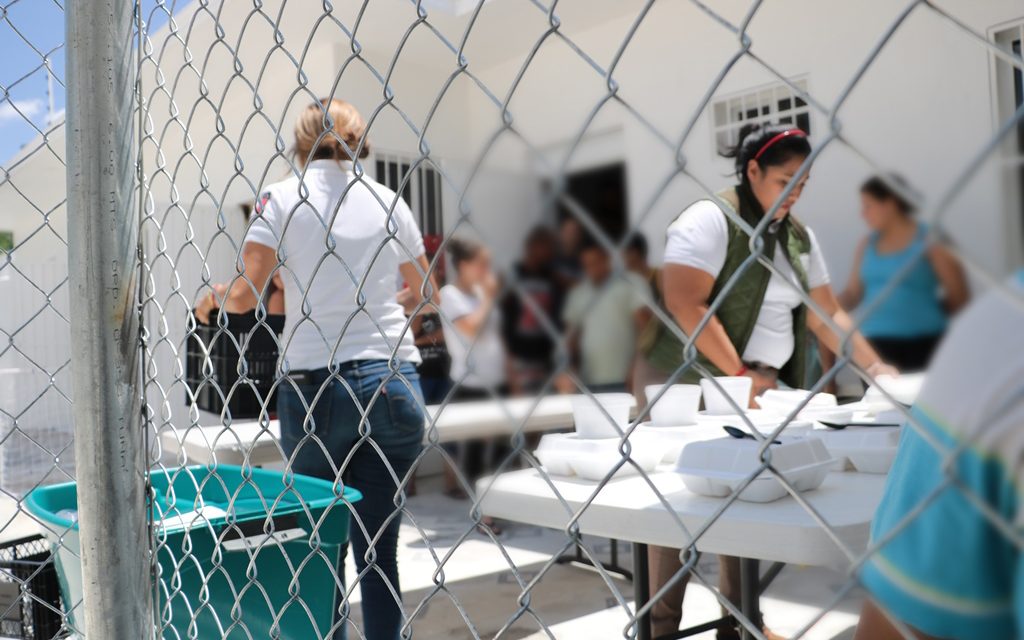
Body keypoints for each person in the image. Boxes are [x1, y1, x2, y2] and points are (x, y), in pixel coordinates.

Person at [638, 123, 897, 640]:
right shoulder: (711, 219)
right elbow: (685, 303)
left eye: (802, 185)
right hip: (692, 388)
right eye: (784, 182)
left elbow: (826, 312)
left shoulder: (798, 238)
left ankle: (740, 622)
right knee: (676, 508)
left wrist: (877, 369)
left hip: (760, 394)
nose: (793, 195)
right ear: (751, 170)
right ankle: (661, 627)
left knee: (747, 494)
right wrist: (738, 375)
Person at [200, 98, 436, 640]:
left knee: (318, 550)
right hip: (392, 378)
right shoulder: (388, 199)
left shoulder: (280, 197)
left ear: (300, 143)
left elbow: (247, 294)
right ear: (360, 141)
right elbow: (426, 295)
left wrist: (212, 302)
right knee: (379, 554)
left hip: (315, 388)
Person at [853, 271, 1024, 640]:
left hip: (921, 354)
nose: (865, 210)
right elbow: (850, 294)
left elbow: (956, 297)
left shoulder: (994, 343)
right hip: (901, 357)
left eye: (869, 205)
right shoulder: (996, 345)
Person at [836, 174, 969, 371]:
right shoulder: (867, 244)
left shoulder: (930, 239)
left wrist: (923, 314)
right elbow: (853, 293)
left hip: (924, 344)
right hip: (875, 346)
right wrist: (824, 309)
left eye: (868, 206)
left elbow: (959, 294)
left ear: (890, 203)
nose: (863, 214)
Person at [439, 236, 509, 531]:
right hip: (470, 384)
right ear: (464, 266)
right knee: (480, 455)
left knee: (502, 450)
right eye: (482, 263)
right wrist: (491, 298)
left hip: (498, 381)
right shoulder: (450, 294)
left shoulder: (482, 292)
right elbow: (470, 330)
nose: (487, 269)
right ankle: (484, 513)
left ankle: (497, 504)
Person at [560, 234, 650, 393]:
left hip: (627, 380)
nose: (592, 269)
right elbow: (571, 337)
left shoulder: (632, 284)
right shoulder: (579, 294)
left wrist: (637, 368)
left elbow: (647, 329)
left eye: (596, 262)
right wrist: (567, 370)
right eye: (587, 265)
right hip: (589, 382)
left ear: (607, 258)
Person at [501, 226, 562, 394]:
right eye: (547, 247)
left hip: (545, 356)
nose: (550, 252)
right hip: (519, 355)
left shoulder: (551, 277)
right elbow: (506, 317)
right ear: (533, 247)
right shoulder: (515, 274)